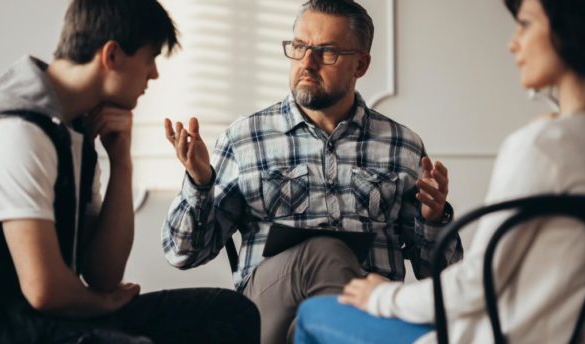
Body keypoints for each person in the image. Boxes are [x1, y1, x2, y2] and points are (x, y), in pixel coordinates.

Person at [0, 0, 260, 343]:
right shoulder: (15, 132)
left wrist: (121, 161)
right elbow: (44, 290)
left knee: (230, 313)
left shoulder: (73, 135)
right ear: (112, 56)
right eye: (150, 59)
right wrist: (103, 304)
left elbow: (103, 274)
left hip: (56, 321)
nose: (154, 74)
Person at [294, 0, 585, 342]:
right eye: (298, 47)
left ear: (572, 32)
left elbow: (476, 284)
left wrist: (382, 295)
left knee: (315, 313)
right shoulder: (584, 143)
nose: (513, 42)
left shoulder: (542, 147)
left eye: (526, 24)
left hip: (492, 335)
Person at [161, 1, 462, 343]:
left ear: (360, 64)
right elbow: (182, 253)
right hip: (268, 313)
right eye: (300, 47)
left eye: (327, 52)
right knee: (324, 253)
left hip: (353, 316)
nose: (307, 62)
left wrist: (433, 218)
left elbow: (442, 276)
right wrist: (200, 184)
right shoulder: (245, 138)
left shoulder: (401, 145)